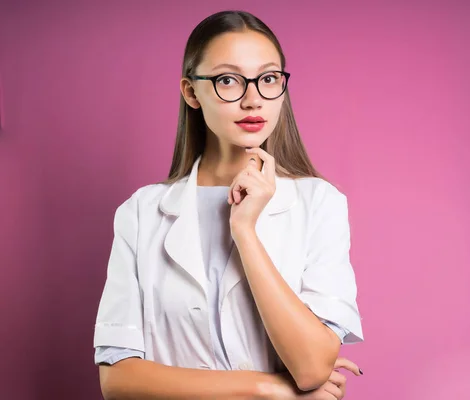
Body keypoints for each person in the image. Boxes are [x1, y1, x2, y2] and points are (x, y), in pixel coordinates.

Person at [93, 10, 364, 400]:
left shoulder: (319, 203)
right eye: (228, 80)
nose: (253, 99)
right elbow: (118, 379)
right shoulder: (140, 212)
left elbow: (310, 367)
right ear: (191, 92)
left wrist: (245, 231)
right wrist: (270, 390)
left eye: (268, 78)